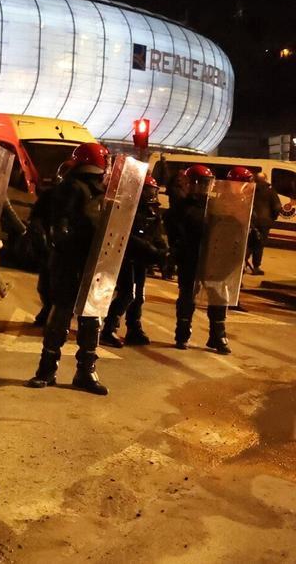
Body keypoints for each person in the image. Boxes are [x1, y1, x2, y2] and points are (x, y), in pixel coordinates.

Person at [26, 142, 112, 395]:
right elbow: (60, 227)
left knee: (86, 319)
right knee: (66, 317)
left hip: (87, 263)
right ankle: (51, 371)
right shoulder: (74, 189)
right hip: (74, 262)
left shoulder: (97, 191)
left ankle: (73, 371)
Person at [165, 164, 233, 354]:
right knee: (187, 296)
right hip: (190, 257)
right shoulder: (181, 207)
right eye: (200, 183)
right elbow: (174, 232)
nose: (203, 187)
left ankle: (218, 335)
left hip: (213, 258)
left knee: (218, 296)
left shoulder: (215, 206)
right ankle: (182, 333)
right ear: (190, 184)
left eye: (206, 183)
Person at [100, 175, 168, 347]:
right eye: (147, 191)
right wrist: (150, 249)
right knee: (127, 294)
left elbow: (156, 234)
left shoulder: (151, 211)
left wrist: (162, 250)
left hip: (141, 259)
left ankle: (134, 328)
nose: (150, 195)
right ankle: (109, 328)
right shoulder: (127, 209)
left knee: (138, 296)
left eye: (152, 191)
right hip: (126, 256)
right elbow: (126, 235)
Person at [29, 160, 74, 326]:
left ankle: (57, 316)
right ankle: (48, 309)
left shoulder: (81, 195)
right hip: (51, 245)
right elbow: (36, 217)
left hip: (70, 248)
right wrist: (42, 238)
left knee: (62, 286)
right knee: (46, 283)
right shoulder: (51, 195)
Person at [247, 171, 295, 275]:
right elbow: (277, 207)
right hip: (264, 223)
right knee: (259, 244)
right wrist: (272, 218)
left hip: (250, 222)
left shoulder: (250, 189)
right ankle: (256, 267)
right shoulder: (271, 192)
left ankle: (242, 265)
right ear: (265, 179)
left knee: (248, 244)